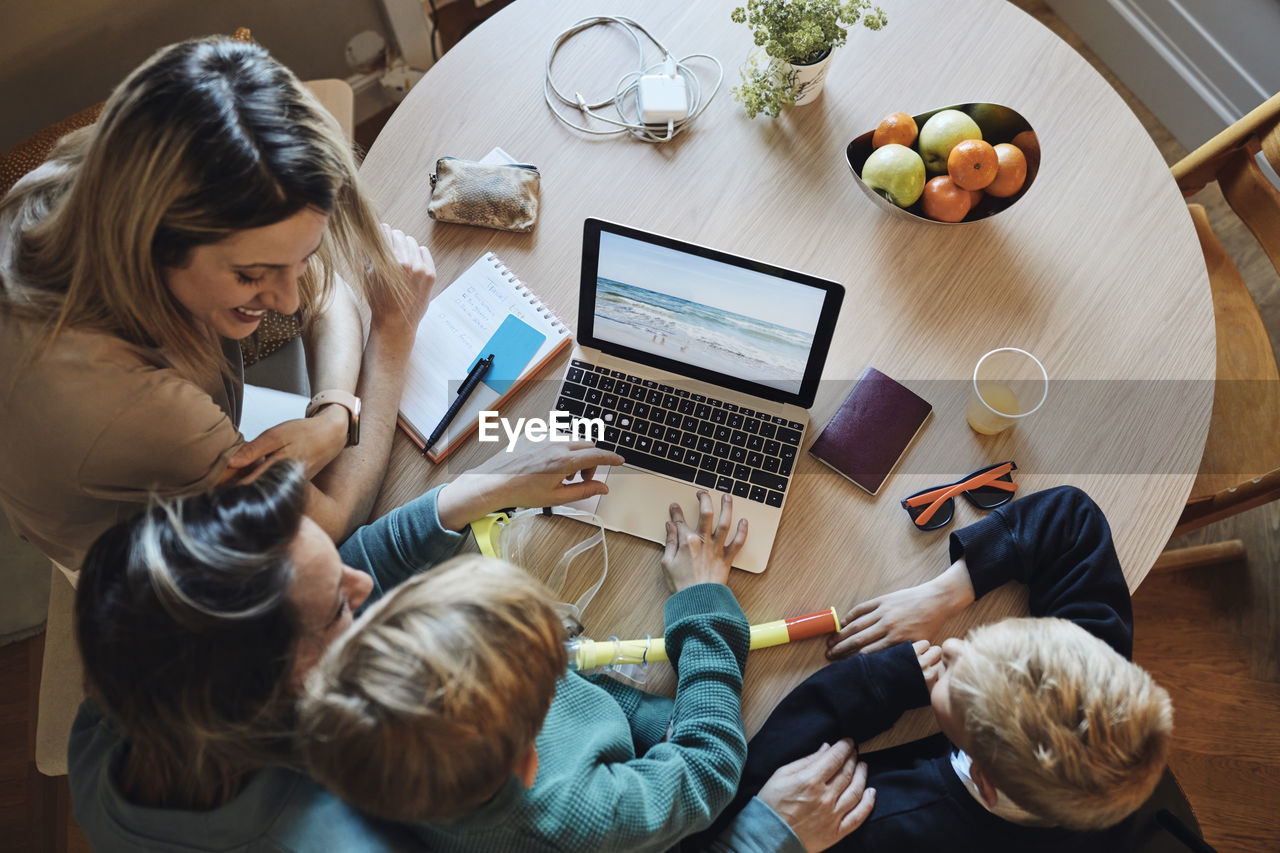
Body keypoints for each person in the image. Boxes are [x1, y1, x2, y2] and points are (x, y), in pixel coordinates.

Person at [0, 36, 432, 575]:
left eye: (295, 261)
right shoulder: (138, 408)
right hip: (136, 555)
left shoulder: (106, 177)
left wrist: (335, 412)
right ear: (154, 244)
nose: (287, 300)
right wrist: (392, 337)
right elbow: (333, 520)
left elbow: (323, 291)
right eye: (251, 275)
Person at [68, 443, 623, 851]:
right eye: (340, 608)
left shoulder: (128, 691)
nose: (362, 586)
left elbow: (317, 578)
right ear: (288, 685)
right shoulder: (364, 823)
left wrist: (474, 492)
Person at [297, 492, 880, 852]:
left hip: (635, 738)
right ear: (529, 759)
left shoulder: (363, 707)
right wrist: (703, 605)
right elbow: (707, 772)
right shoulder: (564, 817)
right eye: (551, 670)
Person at [691, 485, 1175, 852]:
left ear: (984, 778)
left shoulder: (888, 823)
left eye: (955, 689)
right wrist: (943, 594)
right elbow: (1071, 518)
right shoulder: (1089, 682)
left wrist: (880, 683)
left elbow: (734, 798)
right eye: (982, 640)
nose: (952, 649)